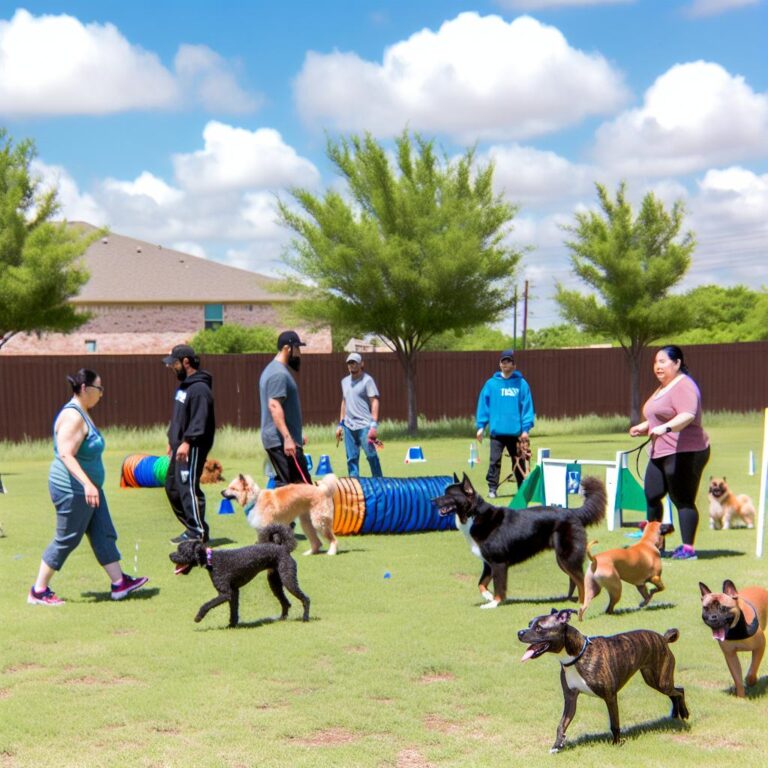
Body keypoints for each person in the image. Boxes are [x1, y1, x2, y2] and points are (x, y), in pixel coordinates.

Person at [28, 369, 149, 605]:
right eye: (99, 389)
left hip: (89, 488)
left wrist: (92, 485)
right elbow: (65, 453)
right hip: (73, 489)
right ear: (85, 388)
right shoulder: (73, 417)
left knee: (103, 532)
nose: (101, 394)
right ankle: (38, 590)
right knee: (67, 538)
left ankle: (119, 583)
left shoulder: (83, 412)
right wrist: (87, 484)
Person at [629, 345, 710, 560]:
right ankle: (655, 544)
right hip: (660, 450)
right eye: (656, 362)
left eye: (663, 361)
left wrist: (664, 428)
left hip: (686, 450)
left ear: (677, 363)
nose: (657, 366)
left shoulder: (684, 385)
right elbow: (660, 416)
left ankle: (688, 549)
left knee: (682, 498)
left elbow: (687, 415)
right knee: (652, 494)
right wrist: (644, 427)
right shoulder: (663, 387)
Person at [163, 344, 215, 544]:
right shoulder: (184, 386)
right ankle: (193, 527)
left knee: (188, 488)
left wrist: (186, 442)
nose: (171, 367)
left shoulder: (200, 389)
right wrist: (172, 440)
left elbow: (199, 420)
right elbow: (178, 417)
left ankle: (197, 532)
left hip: (192, 446)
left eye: (174, 364)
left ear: (186, 362)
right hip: (180, 446)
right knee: (173, 487)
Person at [475, 349, 535, 498]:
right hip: (497, 433)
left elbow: (527, 407)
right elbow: (484, 405)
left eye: (509, 361)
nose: (506, 364)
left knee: (519, 461)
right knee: (494, 461)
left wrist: (526, 429)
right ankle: (492, 489)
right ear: (499, 364)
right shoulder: (491, 384)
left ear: (514, 365)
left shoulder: (521, 384)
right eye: (503, 361)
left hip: (516, 433)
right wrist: (481, 426)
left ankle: (522, 489)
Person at [259, 330, 311, 486]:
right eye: (297, 348)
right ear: (288, 348)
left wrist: (295, 434)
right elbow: (274, 406)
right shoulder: (278, 374)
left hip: (280, 439)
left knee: (287, 486)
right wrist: (288, 438)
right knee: (303, 488)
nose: (299, 354)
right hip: (281, 441)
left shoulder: (272, 370)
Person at [335, 352, 383, 478]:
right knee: (351, 459)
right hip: (349, 426)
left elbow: (374, 402)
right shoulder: (344, 381)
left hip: (364, 426)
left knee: (371, 456)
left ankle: (380, 483)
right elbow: (344, 402)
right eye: (349, 363)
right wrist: (340, 424)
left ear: (361, 364)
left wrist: (373, 425)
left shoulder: (367, 380)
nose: (352, 365)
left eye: (354, 362)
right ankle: (354, 486)